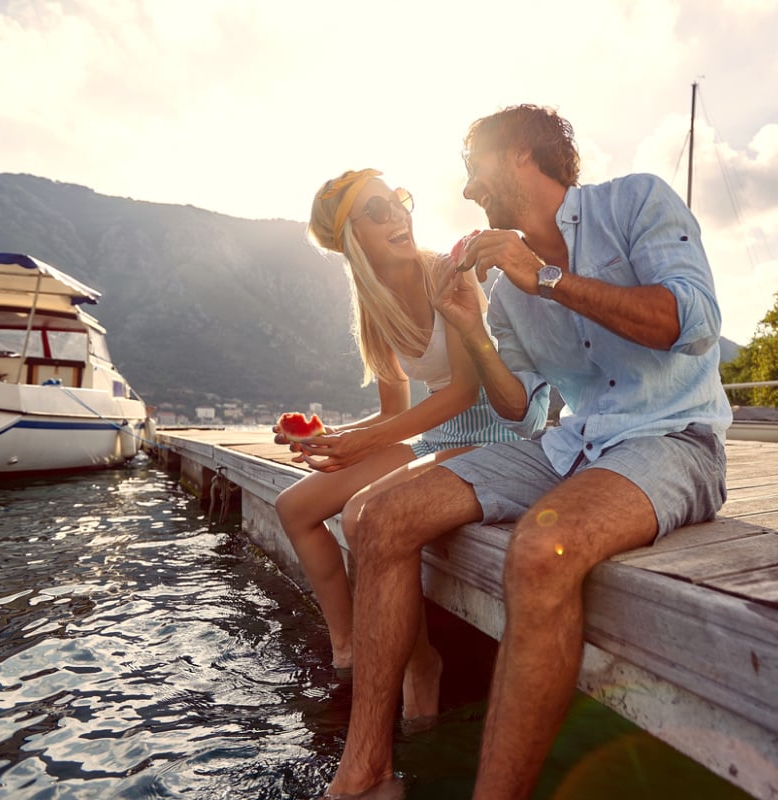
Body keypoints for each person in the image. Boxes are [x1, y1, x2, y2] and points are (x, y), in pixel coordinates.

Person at [323, 105, 732, 799]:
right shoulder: (503, 284)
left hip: (674, 438)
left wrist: (543, 276)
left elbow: (688, 323)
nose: (467, 193)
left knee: (540, 552)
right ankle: (363, 776)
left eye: (473, 170)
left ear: (519, 153)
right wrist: (473, 329)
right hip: (571, 443)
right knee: (378, 520)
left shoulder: (635, 202)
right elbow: (518, 406)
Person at [273, 168, 519, 722]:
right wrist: (326, 438)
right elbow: (394, 414)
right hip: (440, 431)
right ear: (351, 238)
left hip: (496, 428)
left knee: (364, 513)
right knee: (295, 506)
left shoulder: (443, 273)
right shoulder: (375, 308)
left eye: (399, 200)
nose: (398, 214)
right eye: (378, 210)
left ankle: (420, 665)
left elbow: (462, 391)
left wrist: (360, 443)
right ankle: (349, 651)